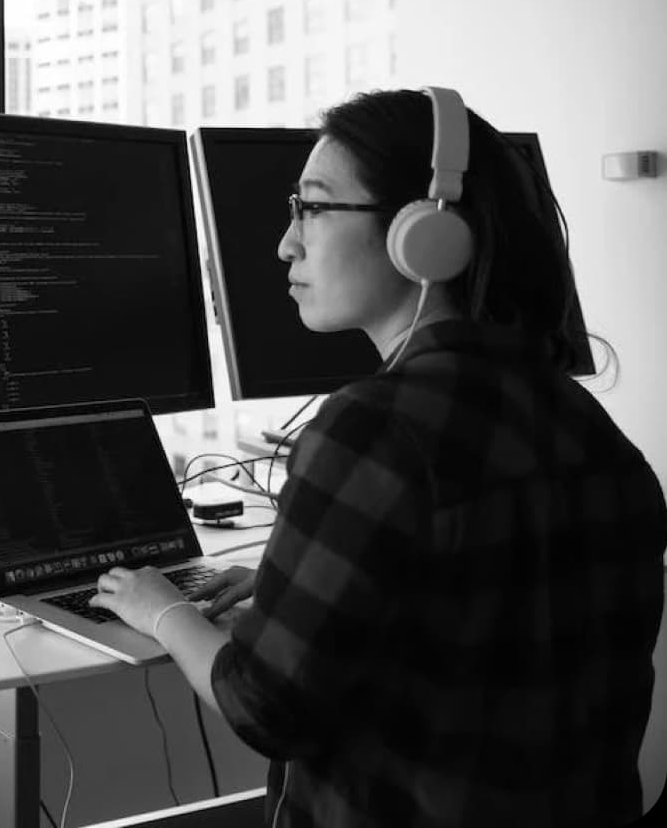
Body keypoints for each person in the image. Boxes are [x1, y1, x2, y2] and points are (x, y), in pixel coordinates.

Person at [91, 88, 667, 827]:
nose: (285, 243)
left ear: (423, 233)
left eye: (313, 208)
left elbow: (264, 708)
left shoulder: (373, 430)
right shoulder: (589, 426)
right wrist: (291, 586)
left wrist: (163, 609)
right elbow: (481, 613)